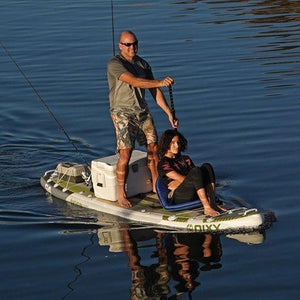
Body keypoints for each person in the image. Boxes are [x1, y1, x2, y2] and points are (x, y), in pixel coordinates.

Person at [107, 30, 177, 208]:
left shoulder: (143, 64)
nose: (132, 47)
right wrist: (160, 82)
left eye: (135, 43)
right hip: (123, 112)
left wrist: (168, 112)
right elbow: (134, 81)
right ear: (120, 46)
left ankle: (155, 185)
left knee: (154, 148)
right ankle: (121, 194)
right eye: (128, 44)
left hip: (142, 112)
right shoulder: (115, 64)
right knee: (126, 153)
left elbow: (154, 91)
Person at [157, 129, 226, 217]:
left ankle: (212, 203)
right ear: (166, 144)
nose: (177, 146)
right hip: (178, 196)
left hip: (190, 190)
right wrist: (198, 183)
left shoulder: (186, 159)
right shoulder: (163, 163)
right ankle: (207, 208)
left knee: (207, 167)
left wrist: (197, 182)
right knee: (196, 171)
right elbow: (185, 179)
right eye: (173, 143)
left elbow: (196, 178)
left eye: (178, 142)